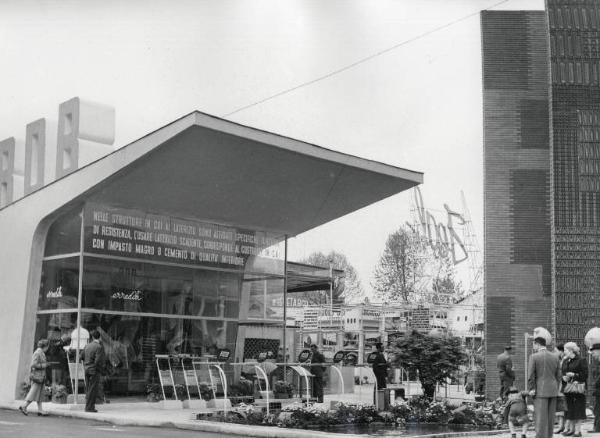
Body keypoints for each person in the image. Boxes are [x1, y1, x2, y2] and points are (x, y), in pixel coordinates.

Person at [528, 329, 561, 438]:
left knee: (541, 418)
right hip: (553, 390)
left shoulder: (534, 357)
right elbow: (558, 376)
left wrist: (531, 390)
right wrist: (557, 389)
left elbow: (531, 376)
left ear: (537, 344)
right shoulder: (555, 357)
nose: (533, 347)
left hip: (540, 391)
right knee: (551, 418)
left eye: (534, 344)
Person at [561, 342, 587, 437]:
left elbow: (585, 374)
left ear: (571, 350)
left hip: (578, 388)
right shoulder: (565, 360)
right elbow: (562, 372)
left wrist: (575, 375)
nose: (564, 352)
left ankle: (578, 431)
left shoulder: (581, 360)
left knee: (579, 409)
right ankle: (571, 430)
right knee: (570, 409)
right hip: (568, 388)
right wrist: (564, 378)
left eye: (565, 350)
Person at [19, 339, 50, 416]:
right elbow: (33, 364)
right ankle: (24, 406)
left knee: (40, 394)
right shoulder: (37, 353)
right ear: (45, 346)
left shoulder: (41, 352)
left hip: (41, 376)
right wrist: (44, 365)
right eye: (48, 346)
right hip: (37, 376)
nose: (48, 348)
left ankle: (40, 410)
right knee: (33, 392)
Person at [81, 329, 106, 413]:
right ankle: (89, 407)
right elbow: (98, 361)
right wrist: (99, 370)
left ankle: (88, 406)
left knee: (88, 388)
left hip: (86, 369)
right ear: (99, 337)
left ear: (92, 337)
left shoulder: (87, 346)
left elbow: (81, 357)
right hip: (94, 370)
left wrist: (87, 363)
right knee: (92, 389)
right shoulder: (99, 347)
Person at [554, 344, 566, 434]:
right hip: (559, 386)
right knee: (559, 406)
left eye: (556, 351)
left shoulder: (564, 361)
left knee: (561, 405)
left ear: (561, 351)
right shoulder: (560, 360)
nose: (555, 353)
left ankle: (562, 426)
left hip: (563, 387)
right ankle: (561, 426)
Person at [588, 341, 600, 434]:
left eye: (594, 351)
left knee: (598, 408)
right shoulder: (598, 362)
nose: (592, 354)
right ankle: (597, 427)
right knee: (597, 408)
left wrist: (596, 382)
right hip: (598, 390)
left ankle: (597, 428)